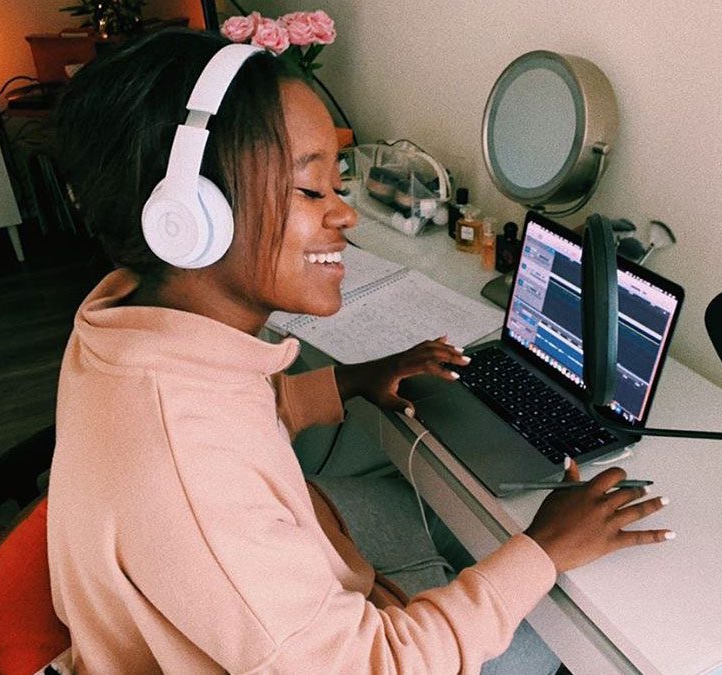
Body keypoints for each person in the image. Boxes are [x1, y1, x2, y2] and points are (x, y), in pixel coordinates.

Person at [48, 28, 673, 674]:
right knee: (563, 640)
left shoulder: (128, 324)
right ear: (194, 214)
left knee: (456, 526)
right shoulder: (188, 467)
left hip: (305, 584)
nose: (343, 214)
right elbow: (373, 666)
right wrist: (543, 547)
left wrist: (345, 381)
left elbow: (231, 415)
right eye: (312, 190)